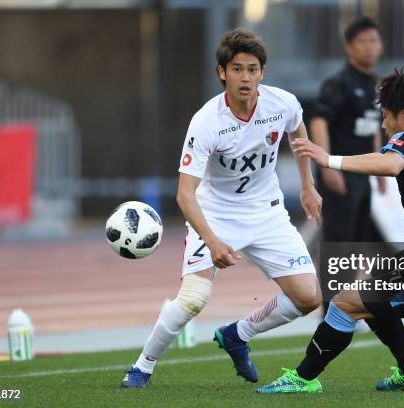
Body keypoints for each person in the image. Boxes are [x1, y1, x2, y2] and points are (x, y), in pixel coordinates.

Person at [257, 68, 404, 394]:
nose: (383, 125)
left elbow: (389, 165)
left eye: (385, 116)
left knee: (346, 302)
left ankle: (303, 378)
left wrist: (329, 160)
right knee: (366, 293)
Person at [121, 28, 323, 388]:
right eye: (237, 69)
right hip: (215, 214)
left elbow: (298, 132)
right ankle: (142, 366)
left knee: (309, 298)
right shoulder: (206, 122)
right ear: (222, 72)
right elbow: (185, 195)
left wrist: (308, 186)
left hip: (266, 212)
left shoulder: (283, 104)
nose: (245, 77)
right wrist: (212, 240)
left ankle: (237, 335)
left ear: (262, 73)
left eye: (253, 69)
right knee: (194, 299)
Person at [311, 17, 386, 245]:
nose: (369, 46)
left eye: (373, 40)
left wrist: (380, 169)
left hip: (363, 175)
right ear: (349, 48)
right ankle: (335, 283)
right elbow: (317, 121)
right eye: (362, 41)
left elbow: (373, 126)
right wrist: (327, 166)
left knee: (358, 239)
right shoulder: (338, 83)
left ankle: (348, 282)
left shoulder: (376, 84)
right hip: (340, 174)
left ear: (381, 46)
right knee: (339, 241)